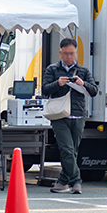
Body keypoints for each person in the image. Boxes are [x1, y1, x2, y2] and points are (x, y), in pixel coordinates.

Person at [42, 37, 98, 194]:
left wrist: (83, 83)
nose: (69, 57)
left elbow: (93, 91)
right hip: (59, 116)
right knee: (66, 149)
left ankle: (62, 181)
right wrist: (57, 83)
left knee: (72, 151)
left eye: (72, 54)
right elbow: (44, 90)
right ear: (60, 52)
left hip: (78, 115)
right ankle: (76, 182)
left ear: (76, 53)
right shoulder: (52, 70)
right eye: (66, 53)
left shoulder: (83, 71)